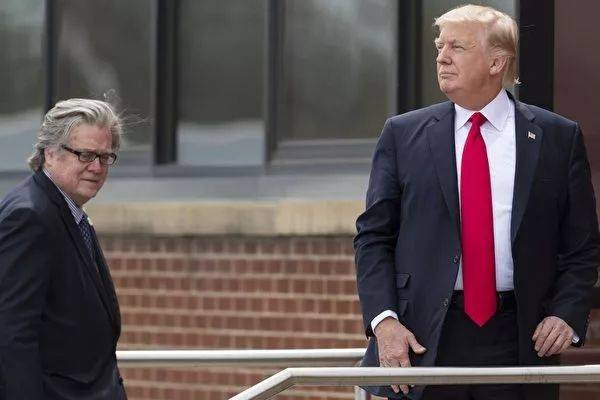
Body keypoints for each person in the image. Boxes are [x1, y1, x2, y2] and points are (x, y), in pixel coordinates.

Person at [354, 4, 599, 400]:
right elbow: (373, 238)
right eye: (439, 46)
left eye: (457, 47)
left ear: (496, 62)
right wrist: (384, 322)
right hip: (423, 339)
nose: (441, 57)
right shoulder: (402, 135)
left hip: (519, 338)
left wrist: (566, 313)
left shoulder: (557, 136)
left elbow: (582, 246)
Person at [0, 99, 127, 399]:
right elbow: (12, 334)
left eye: (105, 157)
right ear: (50, 153)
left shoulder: (68, 210)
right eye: (85, 155)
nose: (96, 167)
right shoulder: (29, 216)